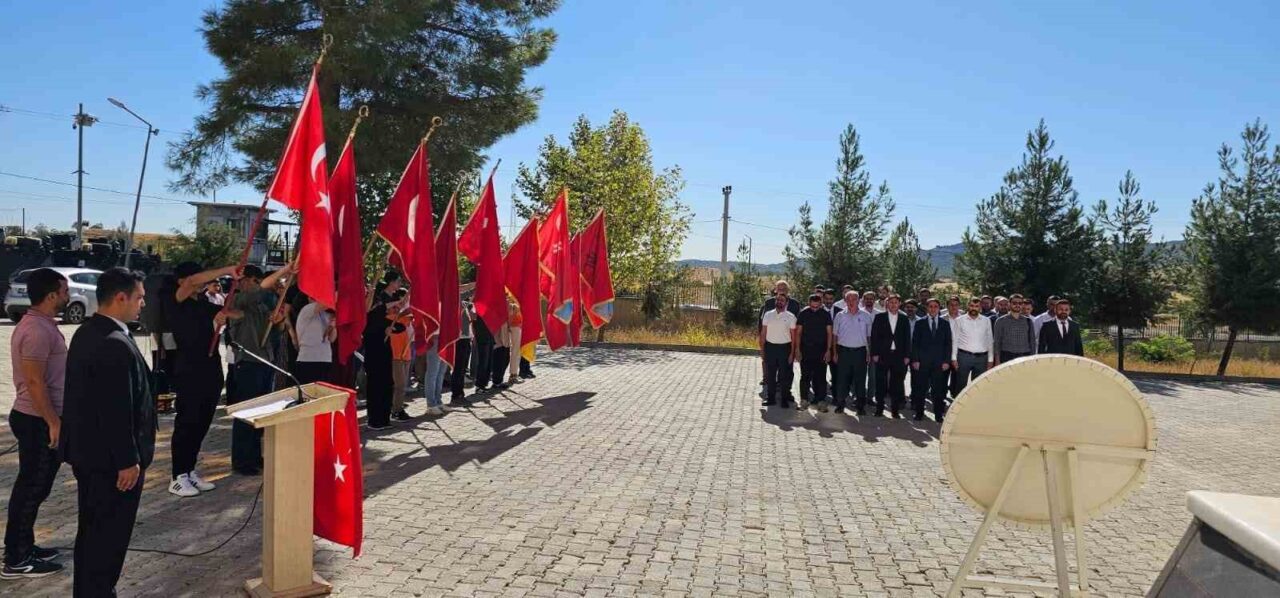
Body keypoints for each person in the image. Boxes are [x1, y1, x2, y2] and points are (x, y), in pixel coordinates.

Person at [60, 268, 153, 597]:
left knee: (93, 533)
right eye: (139, 297)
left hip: (93, 457)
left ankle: (91, 589)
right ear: (120, 297)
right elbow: (115, 409)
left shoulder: (89, 332)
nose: (143, 303)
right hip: (112, 465)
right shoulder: (111, 342)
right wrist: (127, 460)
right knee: (107, 538)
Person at [4, 268, 69, 578]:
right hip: (36, 420)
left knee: (35, 488)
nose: (68, 296)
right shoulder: (37, 330)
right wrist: (53, 421)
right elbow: (34, 381)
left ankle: (24, 546)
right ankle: (16, 559)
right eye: (65, 291)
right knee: (31, 489)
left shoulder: (42, 325)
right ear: (52, 295)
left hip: (39, 418)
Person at [166, 262, 238, 498]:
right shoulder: (177, 300)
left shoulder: (205, 304)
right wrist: (227, 269)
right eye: (195, 277)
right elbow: (190, 282)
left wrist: (226, 316)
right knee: (187, 422)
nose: (200, 282)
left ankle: (189, 470)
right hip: (189, 370)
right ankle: (177, 476)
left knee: (202, 423)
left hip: (211, 369)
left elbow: (229, 314)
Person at [227, 263, 293, 473]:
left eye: (247, 279)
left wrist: (280, 320)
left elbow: (277, 330)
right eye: (243, 280)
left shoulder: (268, 302)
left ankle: (255, 456)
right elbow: (260, 290)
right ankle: (242, 461)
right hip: (247, 361)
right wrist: (285, 270)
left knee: (259, 413)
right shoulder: (240, 299)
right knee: (246, 413)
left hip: (265, 360)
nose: (243, 283)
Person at [363, 273, 402, 429]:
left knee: (387, 382)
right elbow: (372, 316)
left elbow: (388, 320)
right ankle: (375, 419)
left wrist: (393, 327)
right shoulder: (376, 302)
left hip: (385, 346)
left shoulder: (386, 303)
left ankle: (384, 418)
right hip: (374, 346)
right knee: (376, 383)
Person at [910, 298, 953, 423]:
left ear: (939, 309)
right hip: (922, 362)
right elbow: (915, 343)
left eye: (935, 306)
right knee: (920, 389)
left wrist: (946, 361)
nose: (933, 309)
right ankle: (919, 413)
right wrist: (916, 360)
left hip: (939, 363)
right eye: (930, 306)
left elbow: (948, 344)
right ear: (927, 308)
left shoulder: (945, 324)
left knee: (938, 390)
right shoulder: (920, 323)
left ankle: (938, 415)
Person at [870, 294, 912, 418]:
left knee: (897, 384)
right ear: (887, 304)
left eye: (896, 302)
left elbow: (907, 339)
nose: (893, 304)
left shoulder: (904, 319)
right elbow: (874, 337)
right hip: (883, 355)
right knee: (880, 382)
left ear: (899, 304)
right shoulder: (879, 317)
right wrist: (875, 353)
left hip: (898, 355)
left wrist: (907, 356)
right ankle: (879, 408)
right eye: (891, 302)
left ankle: (895, 410)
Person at [832, 291, 873, 415]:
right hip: (843, 351)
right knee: (842, 379)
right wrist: (835, 352)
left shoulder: (866, 315)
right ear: (845, 301)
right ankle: (840, 404)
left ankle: (860, 406)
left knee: (860, 380)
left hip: (860, 352)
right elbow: (835, 336)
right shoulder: (839, 315)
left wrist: (868, 352)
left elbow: (869, 337)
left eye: (853, 299)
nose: (851, 302)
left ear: (858, 300)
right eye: (848, 299)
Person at [759, 290, 797, 407]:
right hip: (770, 347)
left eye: (782, 300)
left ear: (786, 303)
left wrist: (792, 353)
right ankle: (771, 399)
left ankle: (784, 400)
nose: (779, 302)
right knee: (770, 375)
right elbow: (763, 333)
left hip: (784, 348)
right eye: (778, 300)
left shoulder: (791, 317)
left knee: (784, 375)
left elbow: (793, 336)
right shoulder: (768, 314)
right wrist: (762, 350)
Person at [795, 294, 833, 411]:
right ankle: (804, 400)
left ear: (821, 304)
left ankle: (821, 401)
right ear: (809, 303)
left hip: (821, 351)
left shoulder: (825, 315)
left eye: (817, 307)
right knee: (805, 377)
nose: (815, 309)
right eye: (812, 307)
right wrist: (797, 349)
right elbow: (798, 333)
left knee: (821, 378)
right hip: (806, 350)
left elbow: (829, 333)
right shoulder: (803, 314)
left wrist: (828, 350)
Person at [951, 297, 994, 396]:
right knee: (960, 384)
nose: (974, 308)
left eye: (976, 306)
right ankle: (958, 409)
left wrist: (990, 359)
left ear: (980, 308)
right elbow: (955, 340)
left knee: (978, 385)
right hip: (963, 357)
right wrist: (953, 358)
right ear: (967, 306)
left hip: (982, 358)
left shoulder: (986, 320)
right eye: (971, 306)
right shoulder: (959, 320)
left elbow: (990, 340)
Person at [295, 294, 336, 384]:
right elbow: (328, 303)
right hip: (308, 360)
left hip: (325, 359)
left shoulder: (327, 314)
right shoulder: (306, 309)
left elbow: (332, 339)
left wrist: (332, 327)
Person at [386, 292, 414, 421]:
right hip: (395, 355)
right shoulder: (389, 317)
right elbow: (399, 317)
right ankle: (396, 411)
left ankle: (398, 407)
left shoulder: (404, 316)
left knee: (402, 386)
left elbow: (412, 314)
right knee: (399, 385)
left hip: (405, 354)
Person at [992, 294, 1036, 366]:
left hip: (1024, 356)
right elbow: (997, 342)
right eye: (1014, 303)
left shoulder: (1028, 321)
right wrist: (997, 361)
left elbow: (1032, 342)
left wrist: (1032, 358)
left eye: (1020, 303)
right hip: (1006, 356)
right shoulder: (1000, 321)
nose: (1017, 305)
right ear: (1009, 304)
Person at [449, 300, 474, 406]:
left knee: (463, 368)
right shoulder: (453, 302)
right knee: (458, 369)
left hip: (467, 337)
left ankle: (460, 393)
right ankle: (455, 395)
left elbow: (472, 318)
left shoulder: (463, 302)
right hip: (459, 338)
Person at [471, 300, 496, 393]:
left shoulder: (489, 308)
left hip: (489, 336)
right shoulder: (476, 306)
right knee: (483, 362)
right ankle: (479, 385)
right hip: (482, 337)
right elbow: (472, 317)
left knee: (489, 362)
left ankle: (484, 383)